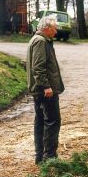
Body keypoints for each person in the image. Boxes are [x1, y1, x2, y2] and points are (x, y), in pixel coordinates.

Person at [27, 14, 65, 164]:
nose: (56, 32)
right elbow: (38, 68)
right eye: (55, 29)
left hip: (41, 90)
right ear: (47, 28)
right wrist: (47, 86)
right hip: (44, 91)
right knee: (52, 121)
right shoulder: (40, 41)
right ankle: (49, 157)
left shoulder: (41, 40)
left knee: (41, 121)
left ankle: (40, 157)